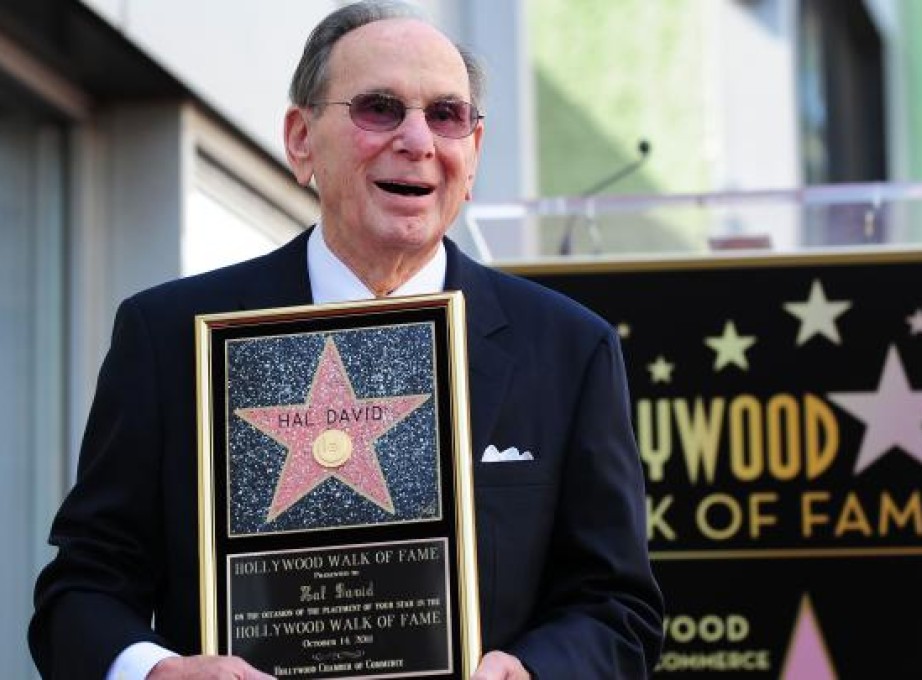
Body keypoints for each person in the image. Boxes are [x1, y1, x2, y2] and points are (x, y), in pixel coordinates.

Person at [28, 1, 664, 678]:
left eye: (446, 115)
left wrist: (534, 672)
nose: (418, 140)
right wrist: (154, 671)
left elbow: (617, 607)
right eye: (379, 108)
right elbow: (80, 593)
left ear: (473, 154)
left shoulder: (569, 350)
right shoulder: (168, 338)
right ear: (301, 140)